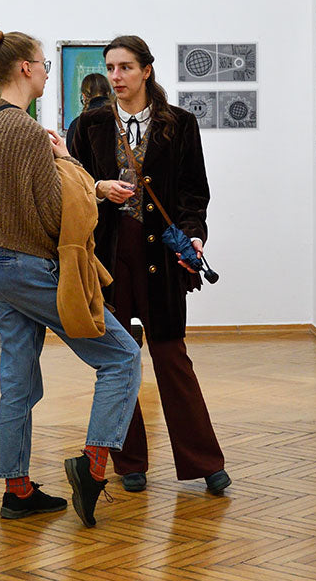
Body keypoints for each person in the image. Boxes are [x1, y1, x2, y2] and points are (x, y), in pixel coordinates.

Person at [0, 24, 141, 527]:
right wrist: (76, 173)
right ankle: (92, 467)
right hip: (29, 266)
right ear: (25, 69)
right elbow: (58, 211)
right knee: (123, 357)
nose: (45, 70)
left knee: (18, 381)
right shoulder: (22, 127)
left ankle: (16, 489)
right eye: (42, 63)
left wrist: (76, 175)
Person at [68, 35, 230, 496]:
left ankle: (205, 461)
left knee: (171, 355)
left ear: (146, 71)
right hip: (107, 257)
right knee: (118, 360)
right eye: (111, 68)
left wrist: (194, 233)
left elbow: (194, 191)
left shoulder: (178, 124)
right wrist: (99, 189)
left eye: (125, 68)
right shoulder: (88, 125)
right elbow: (72, 186)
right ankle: (129, 460)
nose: (116, 77)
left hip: (160, 255)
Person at [65, 72, 111, 148]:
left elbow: (70, 157)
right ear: (109, 93)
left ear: (84, 96)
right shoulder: (121, 119)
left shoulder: (76, 125)